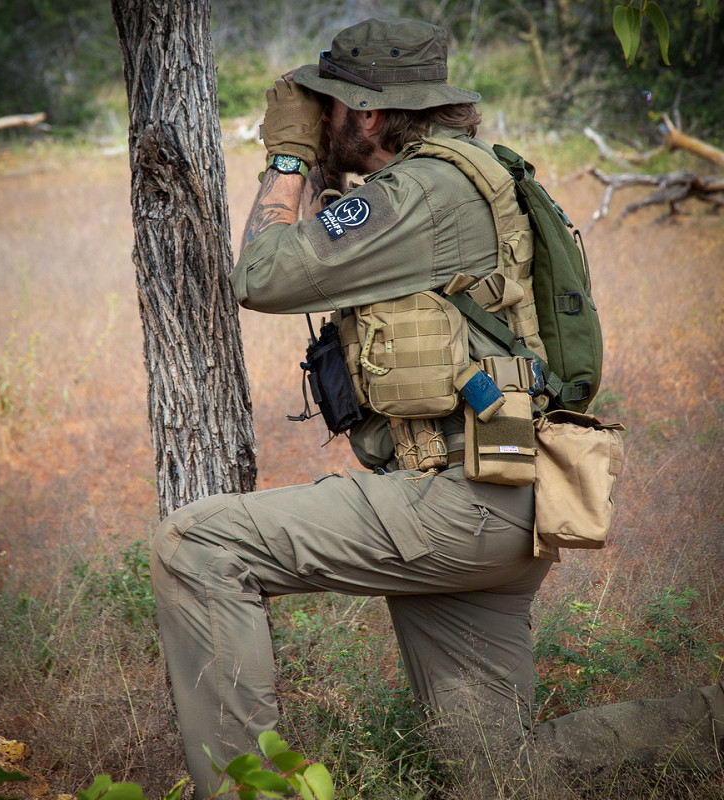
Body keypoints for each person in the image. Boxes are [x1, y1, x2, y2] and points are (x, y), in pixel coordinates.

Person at [150, 16, 724, 797]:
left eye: (328, 104)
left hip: (459, 503)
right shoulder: (458, 177)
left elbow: (266, 275)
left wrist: (287, 157)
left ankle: (244, 792)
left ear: (368, 115)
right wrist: (319, 165)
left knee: (198, 546)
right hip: (505, 494)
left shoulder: (423, 191)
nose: (317, 117)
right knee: (499, 776)